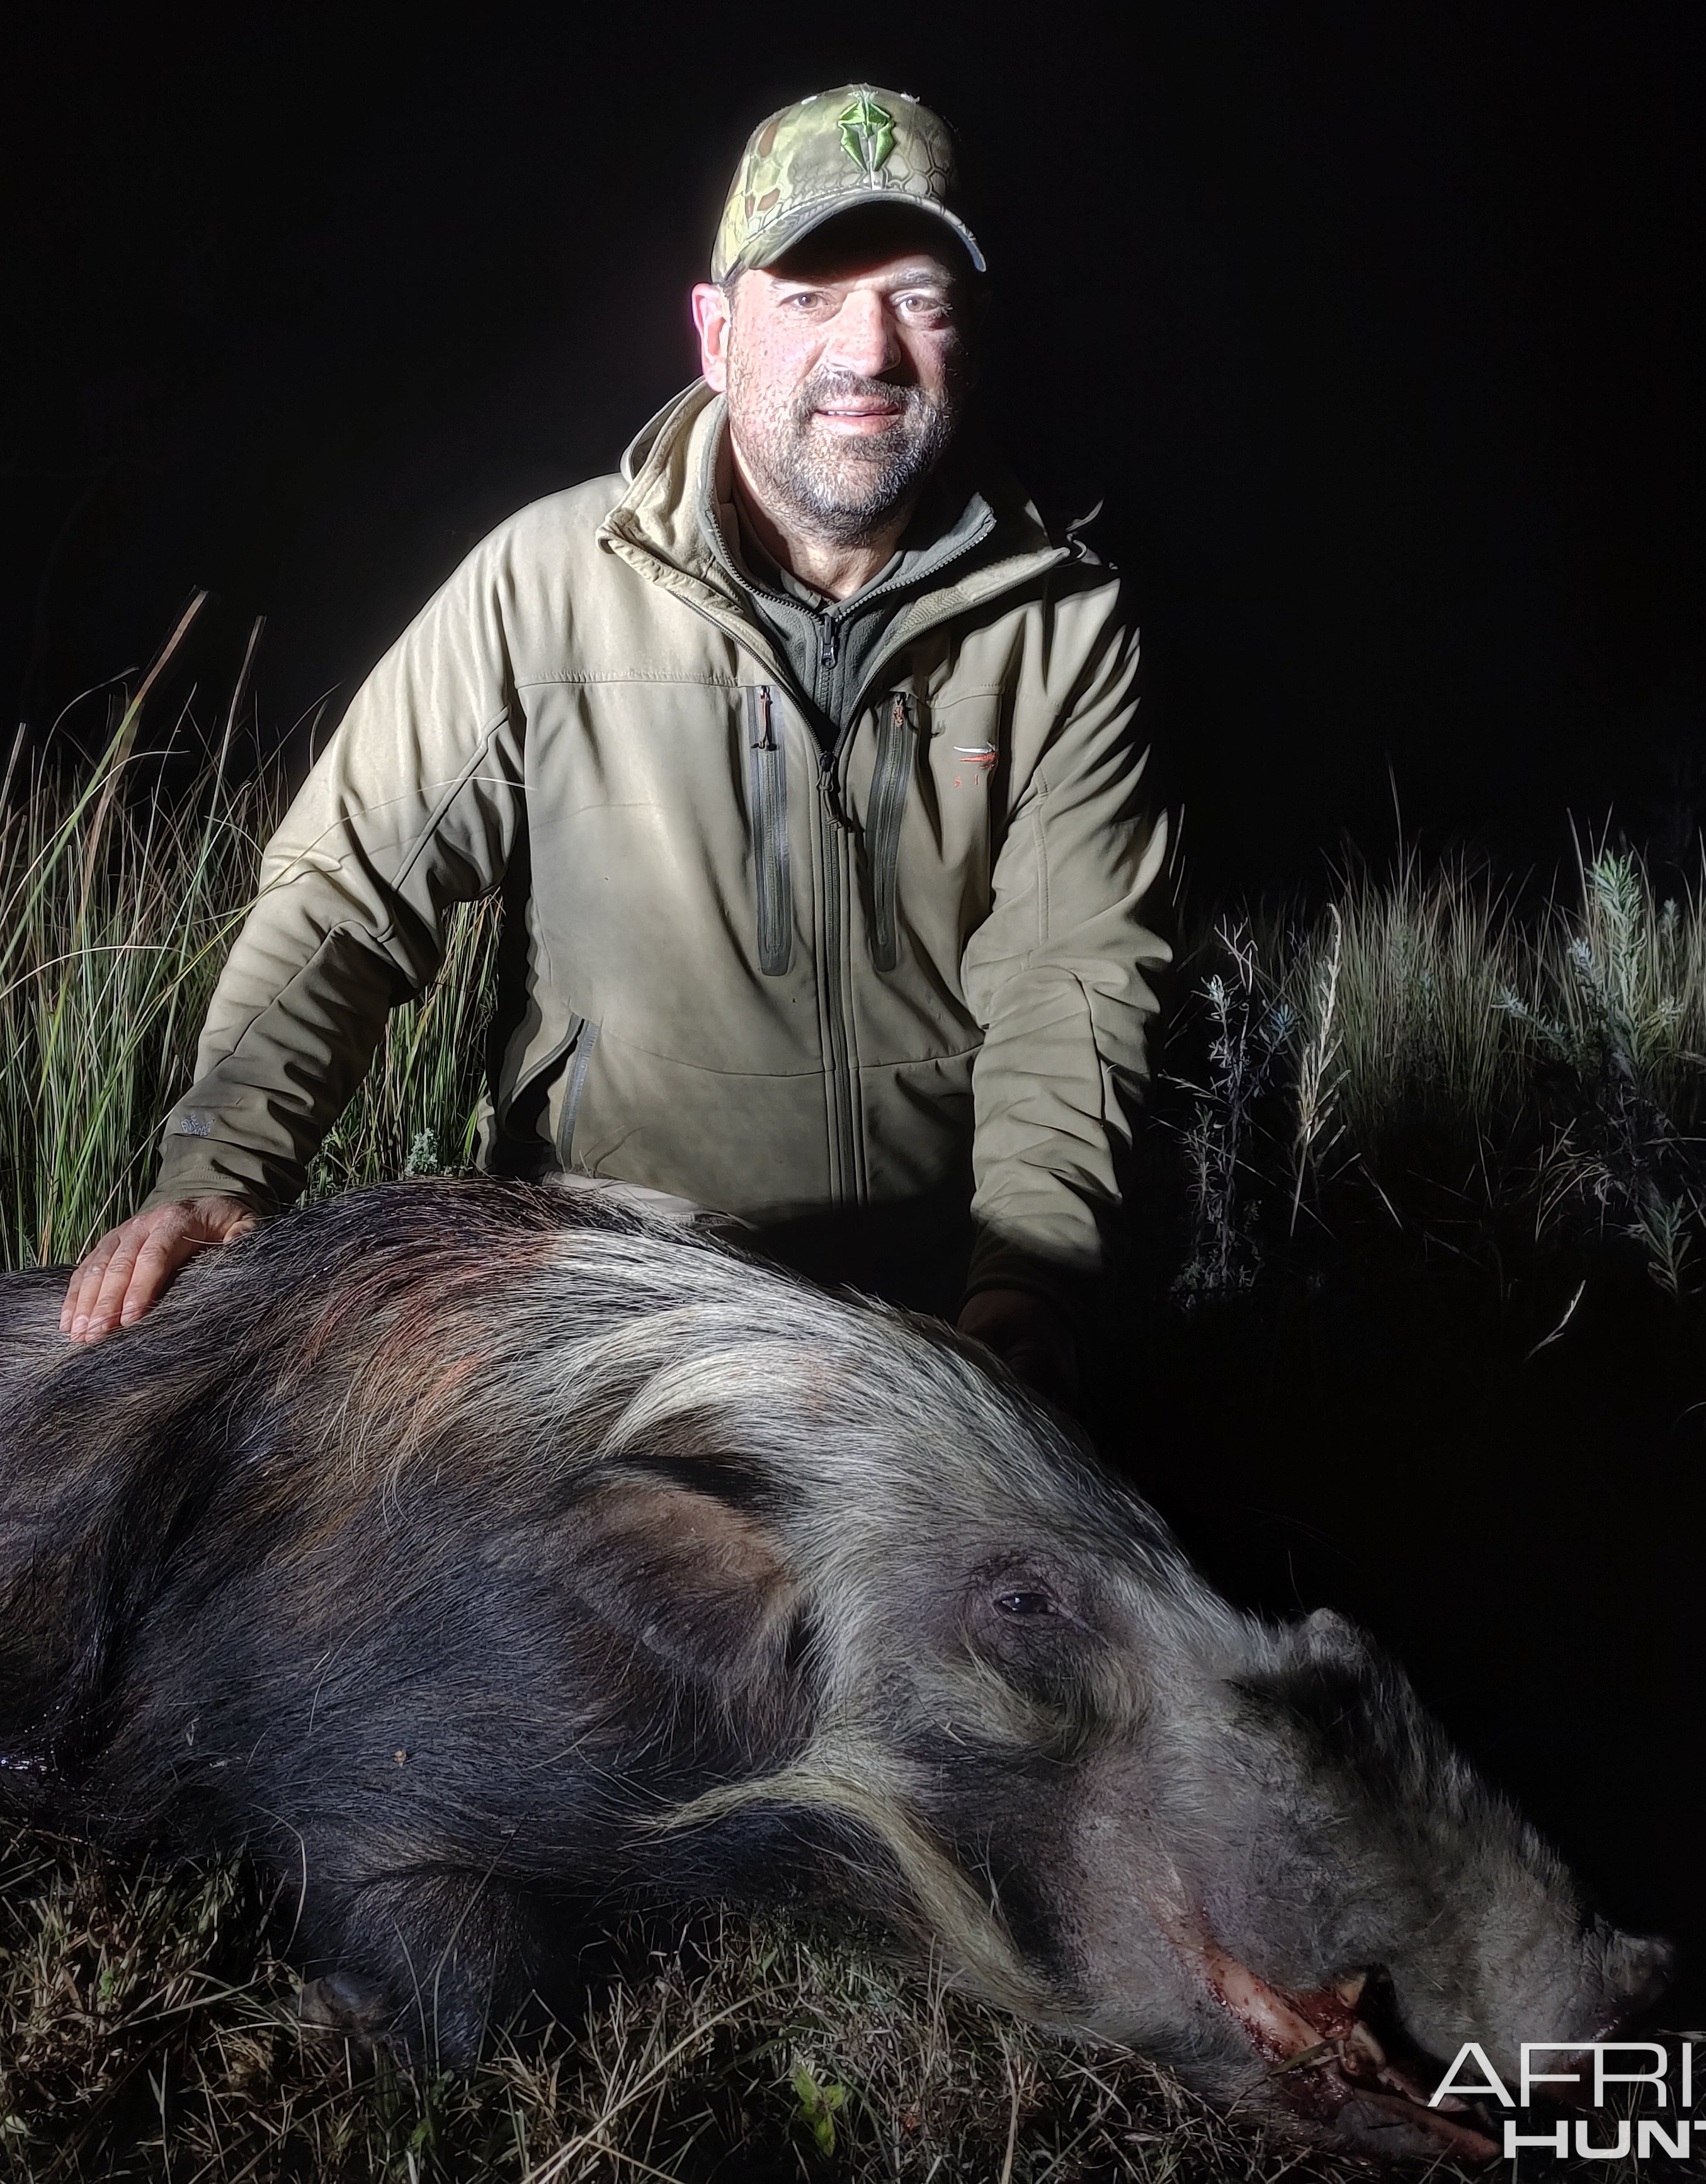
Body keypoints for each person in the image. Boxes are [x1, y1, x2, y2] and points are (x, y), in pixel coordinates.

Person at [62, 84, 1174, 1394]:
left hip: (927, 1312)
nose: (867, 351)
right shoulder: (543, 582)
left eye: (916, 298)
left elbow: (1071, 979)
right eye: (808, 295)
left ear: (966, 334)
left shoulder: (1064, 624)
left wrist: (1026, 1285)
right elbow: (345, 895)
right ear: (714, 333)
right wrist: (216, 1176)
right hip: (610, 1299)